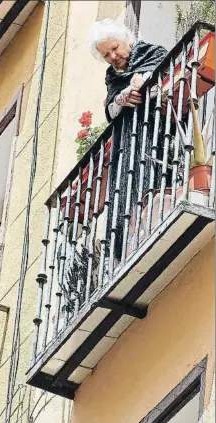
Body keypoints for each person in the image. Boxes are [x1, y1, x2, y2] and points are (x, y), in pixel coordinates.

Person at [88, 19, 169, 260]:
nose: (113, 57)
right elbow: (110, 111)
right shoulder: (112, 77)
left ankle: (153, 211)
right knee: (124, 184)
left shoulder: (152, 53)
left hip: (156, 128)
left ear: (126, 40)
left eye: (115, 48)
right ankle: (124, 240)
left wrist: (145, 86)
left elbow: (167, 79)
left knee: (151, 171)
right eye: (106, 55)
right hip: (126, 138)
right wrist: (122, 98)